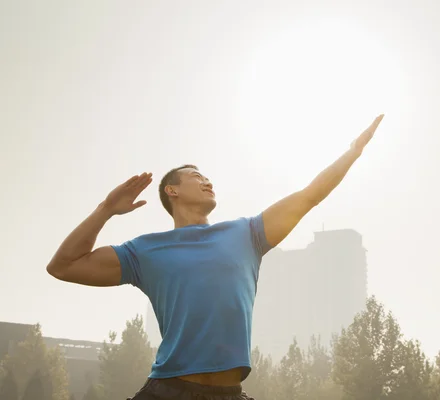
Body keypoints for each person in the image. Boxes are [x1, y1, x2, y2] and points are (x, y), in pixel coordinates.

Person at [46, 114, 384, 400]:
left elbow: (310, 196)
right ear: (172, 191)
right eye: (197, 176)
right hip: (168, 390)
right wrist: (105, 210)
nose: (208, 181)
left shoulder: (247, 234)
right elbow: (63, 266)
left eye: (208, 178)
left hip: (229, 392)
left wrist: (353, 152)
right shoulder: (145, 250)